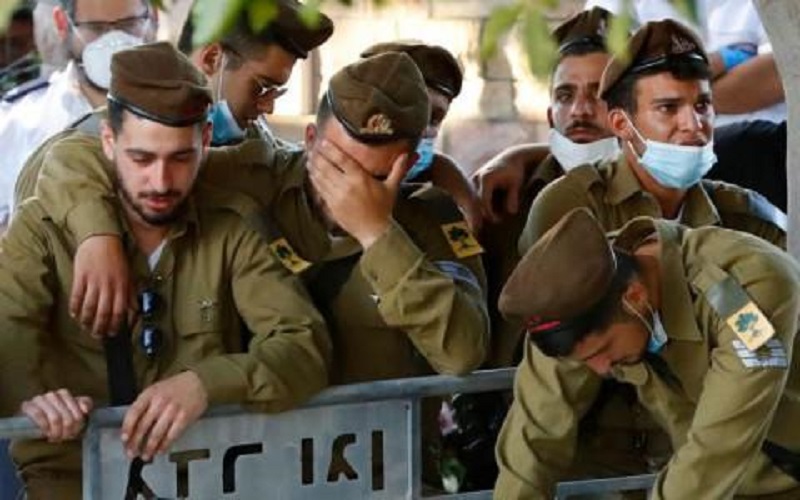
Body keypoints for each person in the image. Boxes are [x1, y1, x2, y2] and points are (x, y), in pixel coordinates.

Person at [0, 42, 331, 498]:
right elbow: (8, 333)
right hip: (74, 480)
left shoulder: (229, 229)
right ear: (108, 142)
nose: (160, 182)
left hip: (196, 478)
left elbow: (303, 346)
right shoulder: (42, 232)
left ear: (206, 141)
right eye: (141, 159)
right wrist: (32, 402)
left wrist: (205, 384)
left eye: (180, 158)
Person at [495, 207, 800, 499]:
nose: (600, 369)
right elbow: (534, 433)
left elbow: (717, 447)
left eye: (603, 350)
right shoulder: (574, 289)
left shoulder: (747, 289)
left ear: (635, 297)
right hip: (724, 486)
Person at [477, 6, 619, 367]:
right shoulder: (505, 197)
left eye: (599, 94)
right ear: (549, 114)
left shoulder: (659, 190)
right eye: (565, 96)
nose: (580, 111)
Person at [0, 0, 156, 228]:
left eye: (129, 24)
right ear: (62, 24)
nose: (114, 41)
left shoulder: (189, 111)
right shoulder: (17, 122)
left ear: (153, 17)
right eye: (96, 28)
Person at [586, 0, 785, 126]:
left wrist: (660, 93)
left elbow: (780, 74)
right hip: (659, 160)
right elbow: (597, 73)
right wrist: (724, 60)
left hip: (763, 151)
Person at [360, 40, 482, 233]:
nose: (423, 129)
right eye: (412, 112)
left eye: (434, 118)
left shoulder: (442, 197)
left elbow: (464, 245)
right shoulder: (312, 181)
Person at [177, 0, 333, 147]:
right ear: (211, 59)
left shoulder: (252, 136)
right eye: (263, 87)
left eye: (274, 92)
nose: (268, 108)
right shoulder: (165, 144)